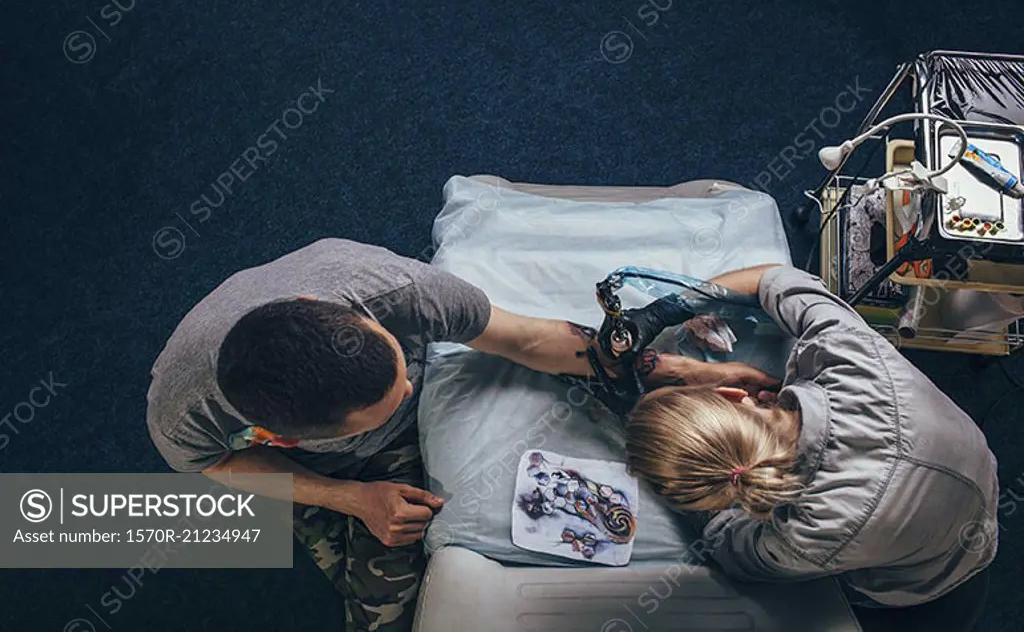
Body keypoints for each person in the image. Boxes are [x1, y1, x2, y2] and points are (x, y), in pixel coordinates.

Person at [146, 238, 777, 632]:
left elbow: (529, 340)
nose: (413, 389)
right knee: (386, 614)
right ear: (282, 432)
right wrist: (353, 499)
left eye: (400, 368)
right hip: (335, 471)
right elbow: (216, 467)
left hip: (357, 445)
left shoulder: (393, 289)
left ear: (353, 319)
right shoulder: (183, 413)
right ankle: (329, 511)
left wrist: (684, 371)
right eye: (391, 399)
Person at [617, 263, 998, 632]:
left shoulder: (805, 534)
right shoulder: (849, 354)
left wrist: (674, 482)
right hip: (978, 473)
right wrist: (664, 311)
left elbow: (726, 545)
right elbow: (770, 278)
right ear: (733, 392)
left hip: (934, 576)